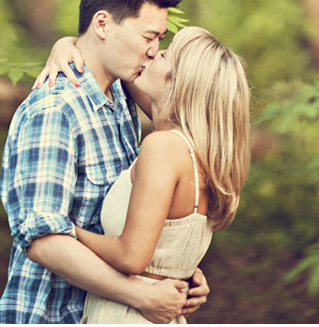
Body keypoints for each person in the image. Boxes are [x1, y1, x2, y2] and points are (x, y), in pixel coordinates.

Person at [0, 0, 210, 325]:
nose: (155, 50)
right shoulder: (55, 110)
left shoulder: (122, 97)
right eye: (148, 37)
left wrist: (176, 270)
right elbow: (42, 240)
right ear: (103, 24)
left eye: (160, 39)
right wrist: (141, 295)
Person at [38, 25, 250, 324]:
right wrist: (67, 43)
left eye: (163, 53)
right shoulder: (199, 151)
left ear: (177, 84)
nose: (151, 53)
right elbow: (120, 68)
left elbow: (131, 257)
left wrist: (65, 231)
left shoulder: (162, 148)